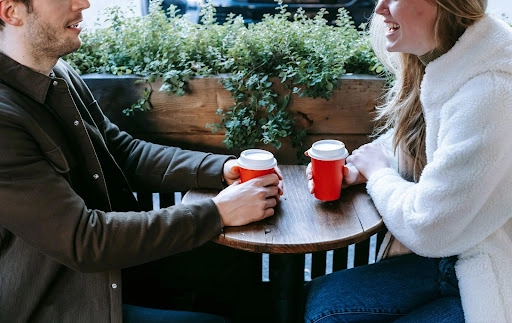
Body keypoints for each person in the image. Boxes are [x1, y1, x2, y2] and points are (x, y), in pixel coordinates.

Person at [0, 0, 283, 322]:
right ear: (11, 12)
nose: (84, 3)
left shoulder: (58, 71)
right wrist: (218, 211)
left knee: (236, 259)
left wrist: (219, 169)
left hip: (122, 261)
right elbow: (83, 240)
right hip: (68, 298)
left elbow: (123, 153)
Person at [303, 0, 512, 321]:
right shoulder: (451, 59)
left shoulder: (491, 92)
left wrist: (377, 174)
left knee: (327, 314)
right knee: (324, 303)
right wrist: (361, 167)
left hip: (494, 271)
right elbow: (427, 142)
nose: (379, 9)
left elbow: (429, 228)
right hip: (456, 253)